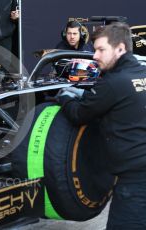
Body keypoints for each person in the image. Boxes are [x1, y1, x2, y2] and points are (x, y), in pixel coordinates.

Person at [57, 22, 146, 229]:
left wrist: (66, 97)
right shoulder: (141, 74)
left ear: (120, 49)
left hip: (136, 179)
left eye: (101, 49)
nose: (95, 55)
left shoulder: (114, 83)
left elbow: (79, 114)